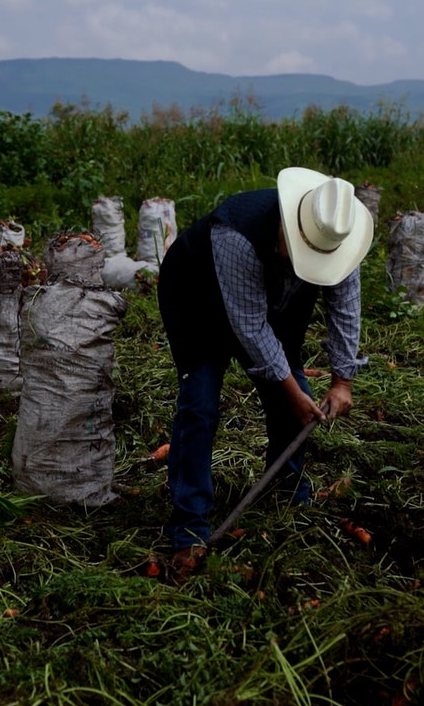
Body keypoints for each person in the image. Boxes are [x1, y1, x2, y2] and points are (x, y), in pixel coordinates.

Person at [157, 166, 374, 577]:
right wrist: (290, 390)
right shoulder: (236, 233)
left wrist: (343, 380)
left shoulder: (339, 236)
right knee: (200, 403)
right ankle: (189, 524)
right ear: (289, 226)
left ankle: (286, 489)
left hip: (277, 300)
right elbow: (251, 328)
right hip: (198, 300)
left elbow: (345, 308)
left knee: (292, 397)